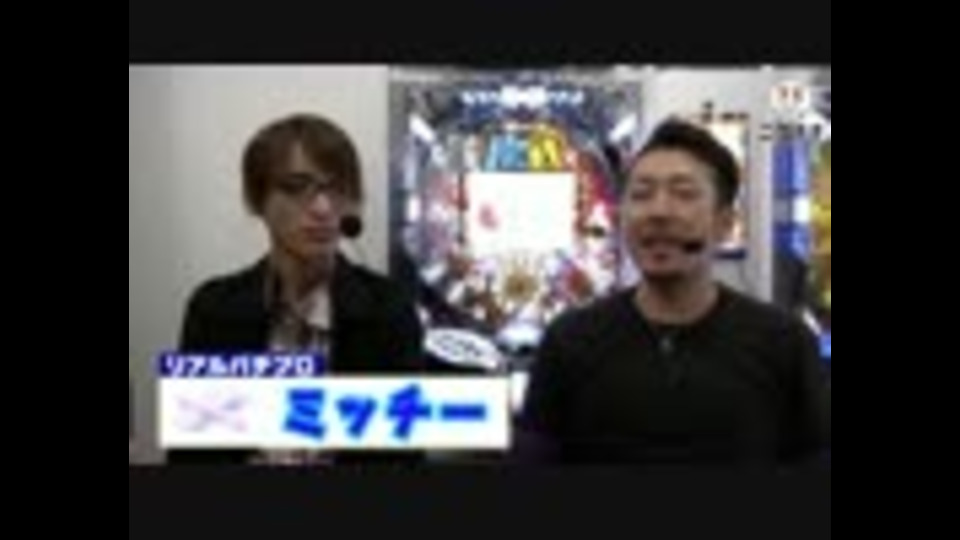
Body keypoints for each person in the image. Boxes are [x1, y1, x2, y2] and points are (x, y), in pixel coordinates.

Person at [515, 119, 830, 466]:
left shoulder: (784, 345)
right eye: (641, 194)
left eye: (683, 194)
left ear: (725, 223)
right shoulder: (569, 342)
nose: (659, 212)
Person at [167, 113, 425, 465]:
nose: (322, 208)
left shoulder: (388, 311)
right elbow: (193, 458)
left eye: (336, 188)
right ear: (257, 199)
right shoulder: (214, 309)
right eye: (295, 187)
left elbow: (401, 457)